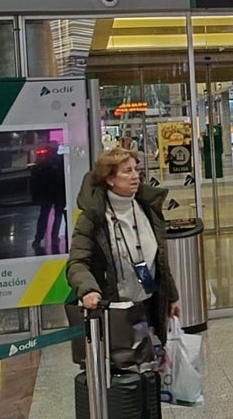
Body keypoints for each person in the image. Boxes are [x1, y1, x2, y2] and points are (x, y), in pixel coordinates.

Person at [66, 148, 180, 346]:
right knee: (123, 370)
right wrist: (88, 290)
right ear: (110, 178)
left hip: (149, 303)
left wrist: (171, 296)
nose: (135, 176)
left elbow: (159, 259)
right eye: (127, 171)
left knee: (154, 365)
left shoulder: (147, 208)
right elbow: (77, 262)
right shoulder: (93, 216)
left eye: (136, 170)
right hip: (115, 309)